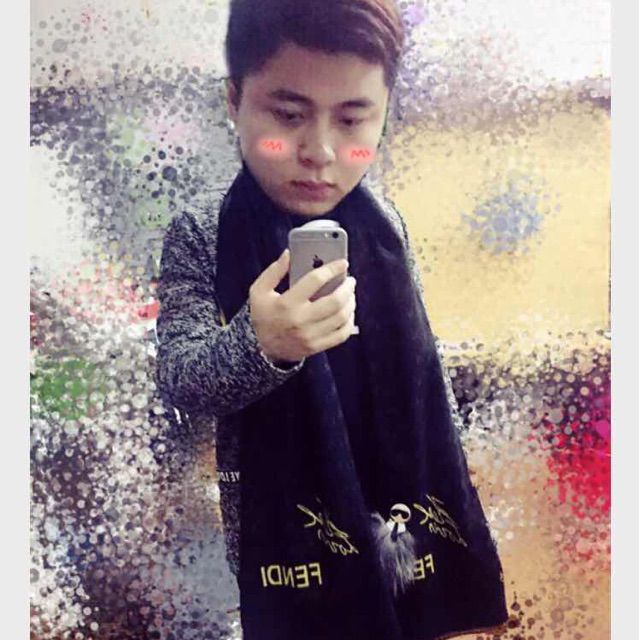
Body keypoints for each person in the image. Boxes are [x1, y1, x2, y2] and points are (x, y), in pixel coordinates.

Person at [155, 1, 509, 638]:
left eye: (352, 120)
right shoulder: (202, 231)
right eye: (288, 116)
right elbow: (181, 379)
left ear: (384, 111)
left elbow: (423, 369)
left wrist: (454, 486)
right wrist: (262, 345)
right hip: (283, 539)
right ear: (234, 100)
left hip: (400, 515)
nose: (320, 152)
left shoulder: (385, 226)